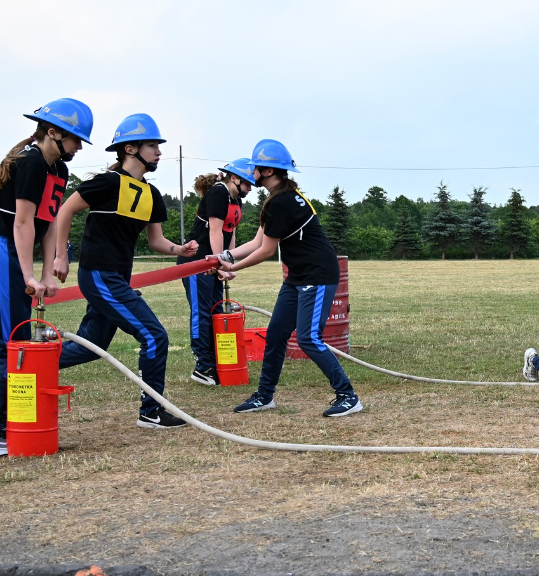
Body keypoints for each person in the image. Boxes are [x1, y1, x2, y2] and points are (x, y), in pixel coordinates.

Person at [52, 114, 198, 429]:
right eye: (152, 146)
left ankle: (28, 367)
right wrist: (60, 255)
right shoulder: (106, 182)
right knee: (155, 335)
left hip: (116, 278)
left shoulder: (151, 194)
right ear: (130, 149)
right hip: (98, 275)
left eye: (158, 146)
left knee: (90, 346)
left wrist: (179, 249)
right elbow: (65, 210)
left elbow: (156, 240)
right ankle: (152, 412)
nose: (159, 152)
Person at [0, 99, 92, 459]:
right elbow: (22, 223)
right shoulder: (31, 163)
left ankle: (6, 427)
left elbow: (49, 222)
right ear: (52, 132)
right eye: (75, 139)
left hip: (9, 255)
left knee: (17, 344)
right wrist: (27, 275)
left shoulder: (58, 170)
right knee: (9, 349)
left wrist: (49, 270)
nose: (79, 147)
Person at [217, 139, 363, 418]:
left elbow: (267, 251)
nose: (252, 173)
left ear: (269, 172)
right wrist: (227, 257)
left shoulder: (281, 202)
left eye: (256, 168)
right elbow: (258, 241)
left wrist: (233, 269)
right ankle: (265, 396)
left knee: (308, 338)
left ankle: (348, 396)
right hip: (298, 276)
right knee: (276, 335)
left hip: (318, 275)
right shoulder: (278, 199)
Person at [179, 158, 256, 385]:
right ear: (235, 178)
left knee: (215, 312)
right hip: (195, 262)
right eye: (248, 183)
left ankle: (215, 362)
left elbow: (229, 233)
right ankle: (202, 366)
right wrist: (220, 263)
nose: (250, 188)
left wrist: (229, 263)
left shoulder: (235, 200)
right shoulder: (218, 193)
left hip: (213, 262)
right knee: (201, 313)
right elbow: (214, 232)